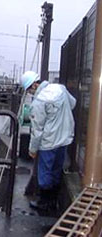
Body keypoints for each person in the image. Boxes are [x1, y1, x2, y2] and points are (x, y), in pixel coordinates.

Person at [20, 71, 76, 211]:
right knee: (57, 169)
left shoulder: (39, 102)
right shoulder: (60, 88)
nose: (29, 93)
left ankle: (44, 202)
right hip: (65, 138)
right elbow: (73, 103)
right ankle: (54, 200)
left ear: (34, 85)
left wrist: (32, 150)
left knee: (45, 172)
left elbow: (37, 131)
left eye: (28, 90)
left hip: (49, 142)